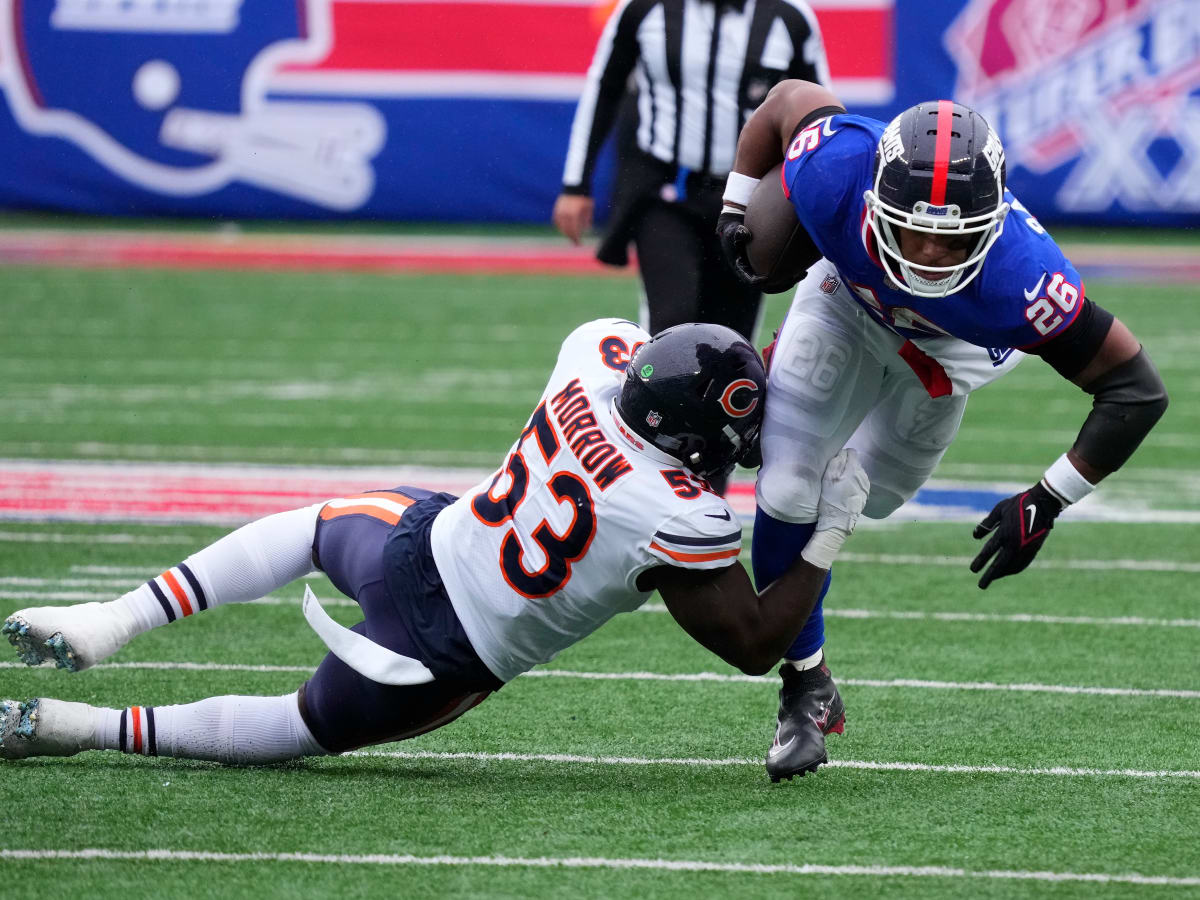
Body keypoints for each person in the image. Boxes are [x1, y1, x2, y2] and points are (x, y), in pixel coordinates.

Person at [1, 318, 869, 770]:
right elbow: (755, 643)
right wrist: (830, 529)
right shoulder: (676, 513)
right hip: (440, 651)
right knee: (299, 726)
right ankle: (87, 727)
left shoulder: (593, 357)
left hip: (420, 537)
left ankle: (112, 618)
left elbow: (651, 359)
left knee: (305, 529)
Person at [715, 80, 1169, 782]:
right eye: (909, 228)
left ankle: (813, 496)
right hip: (848, 306)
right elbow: (785, 102)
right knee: (787, 486)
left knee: (870, 497)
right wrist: (737, 203)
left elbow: (1136, 388)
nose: (926, 252)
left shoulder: (1024, 280)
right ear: (872, 202)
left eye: (948, 236)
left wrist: (1048, 499)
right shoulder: (834, 167)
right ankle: (807, 685)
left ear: (990, 224)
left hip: (948, 355)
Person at [552, 0, 830, 343]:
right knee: (670, 328)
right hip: (667, 192)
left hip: (748, 200)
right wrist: (575, 185)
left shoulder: (789, 15)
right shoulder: (642, 8)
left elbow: (819, 117)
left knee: (731, 341)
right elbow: (604, 89)